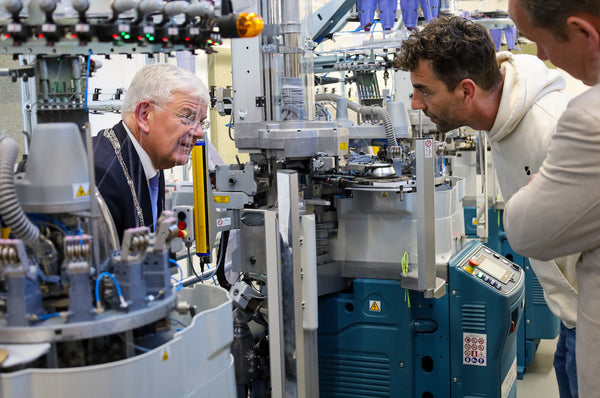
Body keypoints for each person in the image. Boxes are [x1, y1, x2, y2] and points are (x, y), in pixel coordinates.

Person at [395, 15, 579, 396]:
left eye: (423, 90)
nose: (415, 104)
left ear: (465, 90)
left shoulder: (553, 128)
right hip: (571, 320)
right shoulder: (501, 122)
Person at [505, 1, 600, 397]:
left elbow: (526, 232)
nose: (542, 56)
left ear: (584, 34)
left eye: (542, 42)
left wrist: (535, 186)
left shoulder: (588, 119)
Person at [93, 63, 209, 241]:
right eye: (187, 117)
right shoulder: (101, 173)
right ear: (144, 115)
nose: (199, 132)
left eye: (201, 122)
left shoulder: (151, 162)